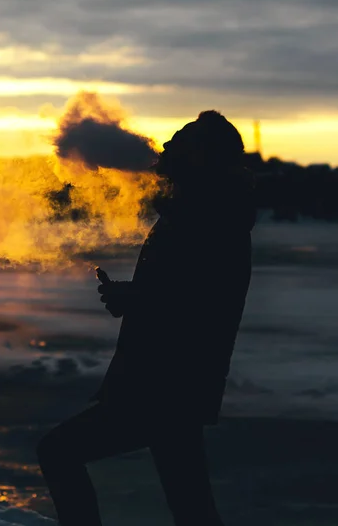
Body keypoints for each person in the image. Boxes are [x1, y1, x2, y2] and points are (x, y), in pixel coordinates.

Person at [36, 110, 256, 526]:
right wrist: (131, 298)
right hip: (175, 385)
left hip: (163, 384)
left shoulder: (206, 216)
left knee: (58, 452)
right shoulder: (199, 210)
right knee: (192, 506)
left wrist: (132, 297)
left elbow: (195, 301)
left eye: (180, 141)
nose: (167, 146)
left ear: (202, 157)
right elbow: (179, 294)